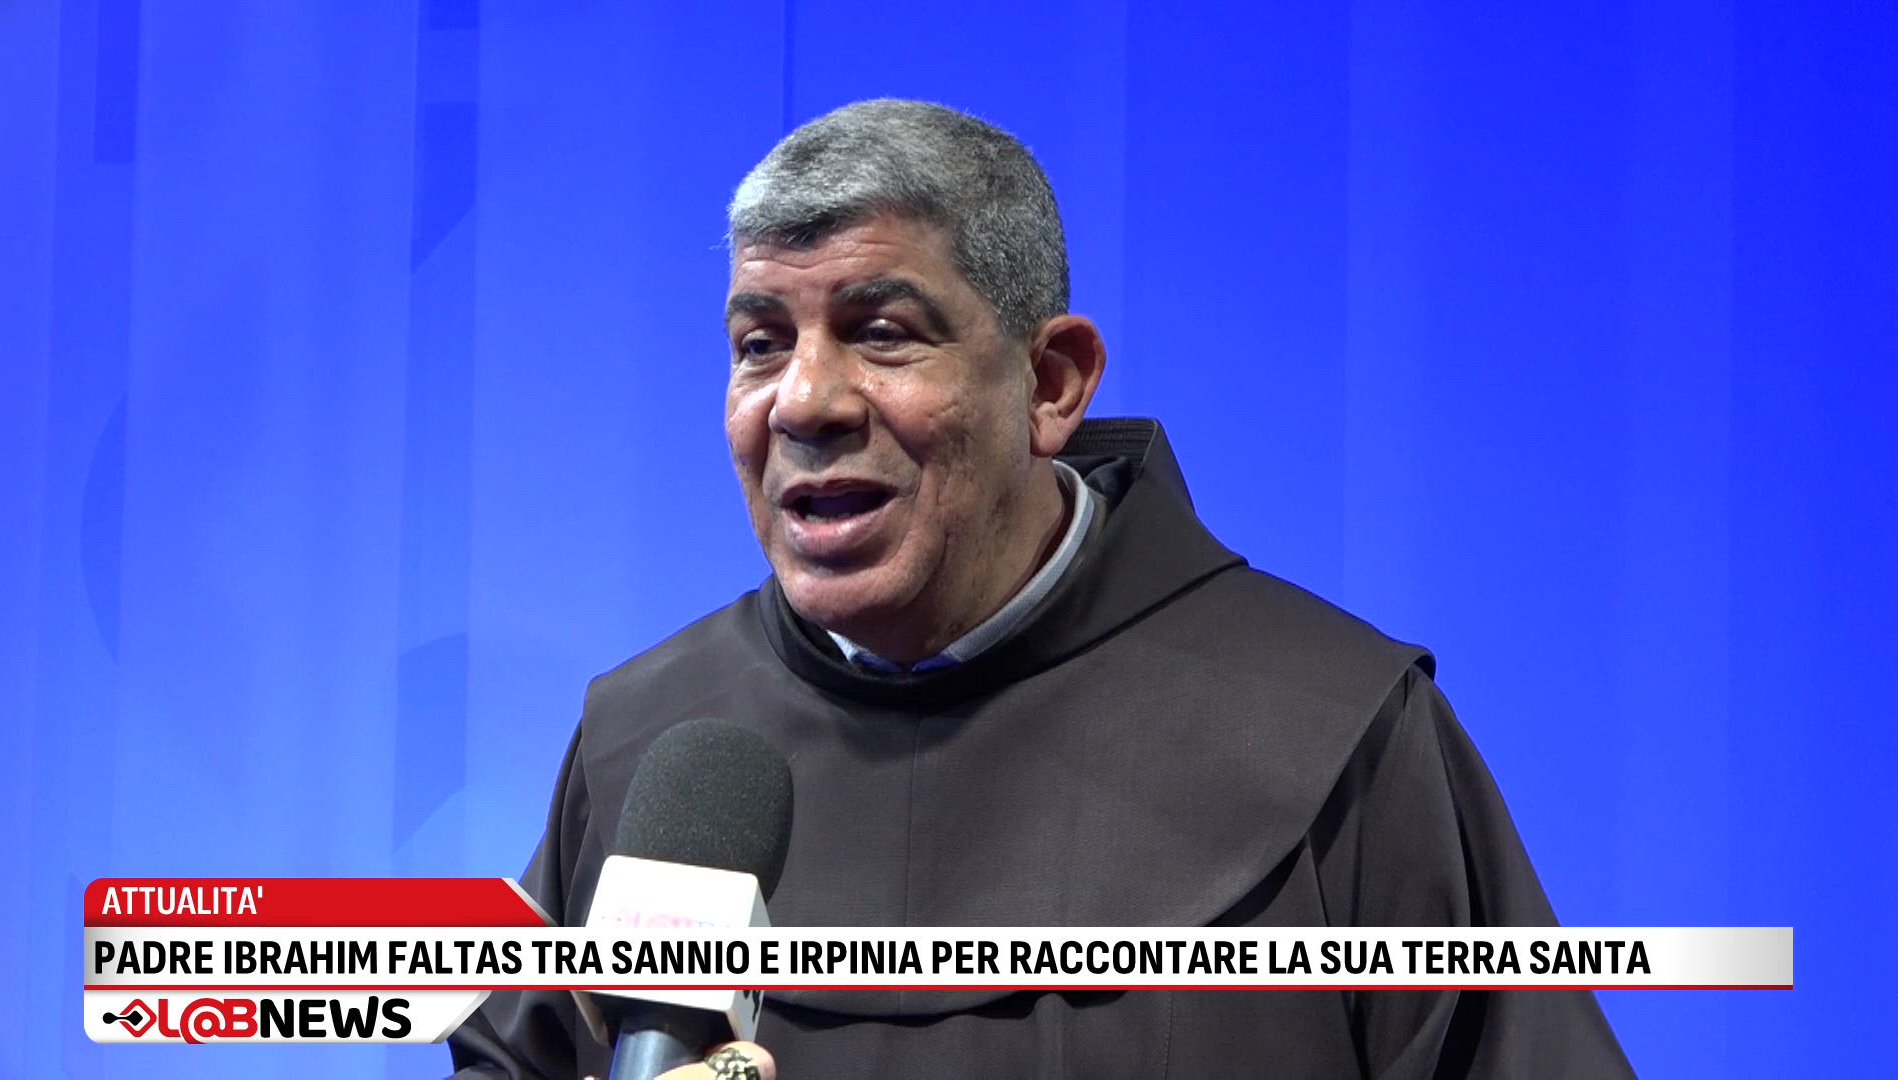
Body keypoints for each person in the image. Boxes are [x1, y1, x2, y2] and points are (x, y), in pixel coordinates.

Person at [449, 99, 1632, 1079]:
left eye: (881, 331)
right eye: (760, 343)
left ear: (1052, 382)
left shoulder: (1335, 731)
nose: (803, 402)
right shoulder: (648, 749)